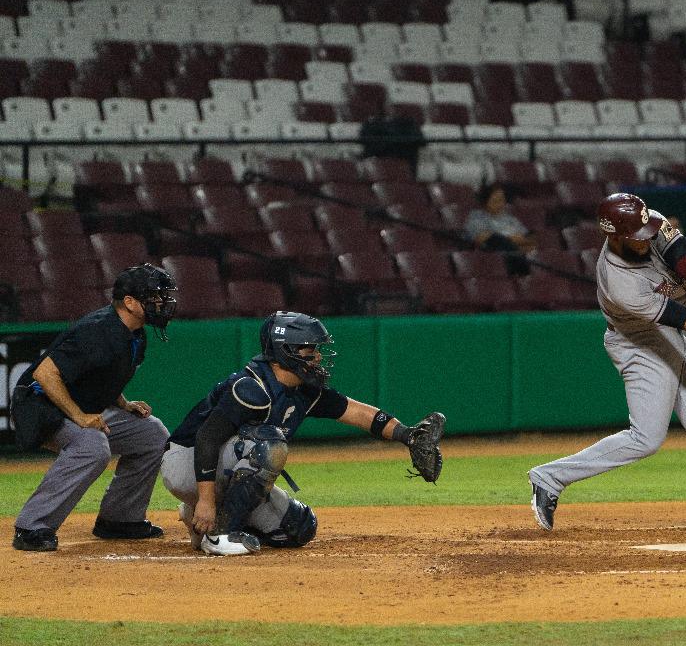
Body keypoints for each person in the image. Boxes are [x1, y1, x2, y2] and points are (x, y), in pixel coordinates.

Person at [528, 193, 686, 536]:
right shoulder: (619, 281)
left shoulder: (645, 220)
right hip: (638, 344)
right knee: (646, 438)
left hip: (668, 336)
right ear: (614, 236)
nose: (647, 240)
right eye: (637, 238)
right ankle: (550, 477)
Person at [160, 311, 446, 556]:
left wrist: (407, 435)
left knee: (298, 528)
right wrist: (207, 501)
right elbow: (207, 438)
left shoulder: (303, 390)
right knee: (269, 446)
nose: (317, 356)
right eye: (309, 350)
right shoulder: (251, 387)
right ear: (285, 351)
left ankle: (198, 517)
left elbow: (358, 413)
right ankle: (219, 533)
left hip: (224, 466)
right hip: (187, 463)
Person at [11, 263, 178, 552]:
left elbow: (102, 375)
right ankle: (32, 526)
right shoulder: (97, 330)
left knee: (153, 435)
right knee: (93, 446)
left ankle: (119, 520)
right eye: (154, 297)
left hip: (78, 405)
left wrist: (124, 403)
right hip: (38, 406)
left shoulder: (135, 333)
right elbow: (44, 374)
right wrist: (79, 416)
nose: (161, 303)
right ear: (129, 302)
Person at [465, 185, 533, 274]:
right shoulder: (476, 218)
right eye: (496, 201)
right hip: (490, 259)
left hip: (516, 256)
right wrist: (511, 238)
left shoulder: (510, 219)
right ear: (485, 202)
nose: (501, 204)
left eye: (502, 200)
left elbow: (526, 239)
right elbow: (482, 239)